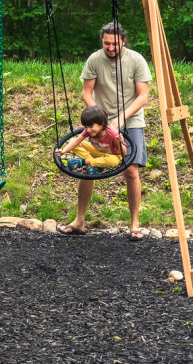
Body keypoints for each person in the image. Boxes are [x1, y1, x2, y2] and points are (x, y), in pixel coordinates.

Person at [57, 21, 151, 240]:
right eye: (106, 43)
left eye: (115, 44)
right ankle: (79, 221)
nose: (110, 47)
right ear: (102, 41)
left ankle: (134, 223)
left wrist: (119, 119)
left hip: (130, 120)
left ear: (123, 41)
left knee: (130, 170)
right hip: (100, 122)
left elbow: (143, 96)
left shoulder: (136, 60)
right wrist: (98, 117)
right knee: (87, 168)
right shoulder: (94, 59)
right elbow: (87, 92)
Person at [55, 105, 125, 173]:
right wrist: (64, 151)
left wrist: (119, 143)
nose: (88, 130)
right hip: (96, 152)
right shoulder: (89, 130)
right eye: (85, 126)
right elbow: (77, 141)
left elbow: (124, 153)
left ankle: (85, 162)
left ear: (102, 123)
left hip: (112, 155)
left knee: (114, 161)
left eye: (91, 126)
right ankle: (96, 165)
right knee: (73, 141)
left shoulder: (113, 134)